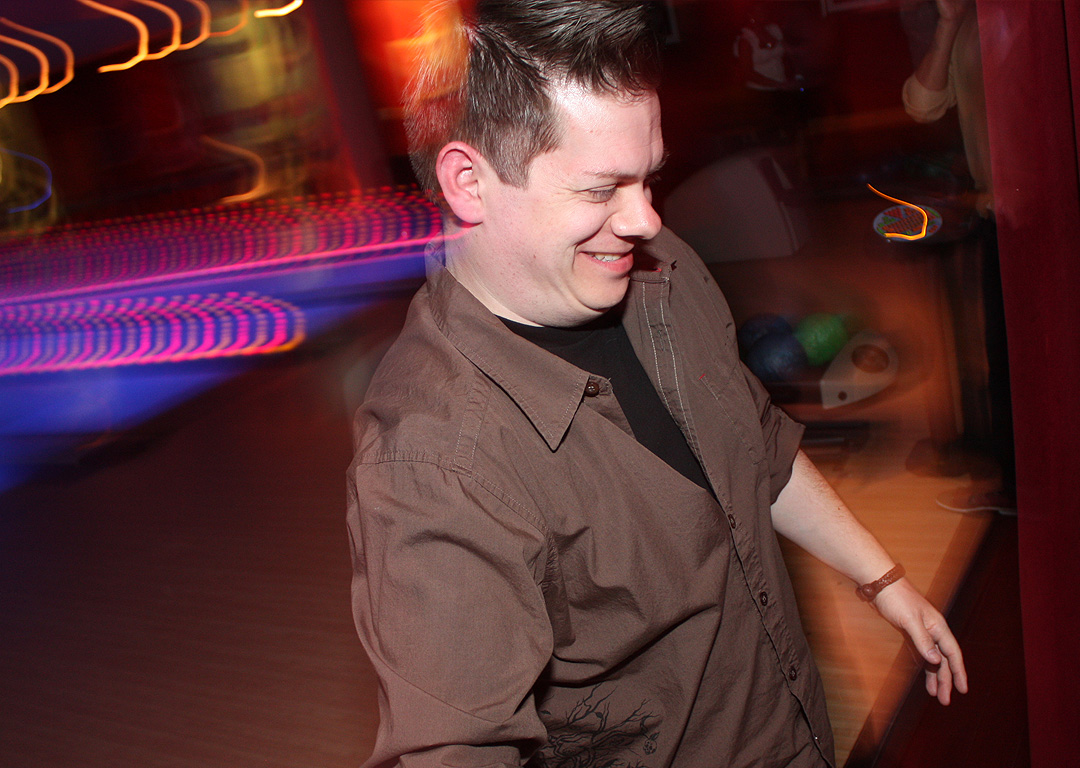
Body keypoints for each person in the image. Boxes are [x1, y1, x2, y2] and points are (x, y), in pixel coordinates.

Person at [347, 2, 967, 766]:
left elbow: (757, 445)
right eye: (600, 189)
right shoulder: (434, 466)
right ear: (469, 182)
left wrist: (884, 581)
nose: (644, 219)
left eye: (648, 178)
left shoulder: (660, 267)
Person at [901, 0, 1016, 514]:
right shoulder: (967, 18)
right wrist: (948, 23)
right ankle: (1017, 487)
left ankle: (1024, 488)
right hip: (1000, 215)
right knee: (1005, 357)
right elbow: (922, 103)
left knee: (1018, 358)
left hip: (1038, 215)